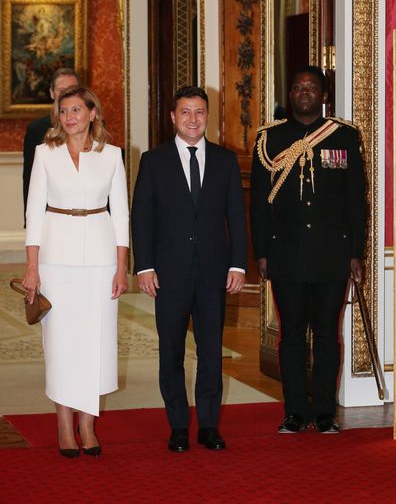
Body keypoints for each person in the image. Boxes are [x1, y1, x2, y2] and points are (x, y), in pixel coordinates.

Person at [250, 66, 367, 434]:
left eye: (311, 87)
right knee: (293, 335)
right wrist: (261, 252)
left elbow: (355, 201)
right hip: (286, 255)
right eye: (298, 86)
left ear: (323, 94)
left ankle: (325, 413)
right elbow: (258, 202)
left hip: (332, 255)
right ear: (291, 92)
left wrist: (357, 253)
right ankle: (296, 411)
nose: (304, 92)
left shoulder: (344, 137)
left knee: (328, 335)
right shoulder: (270, 139)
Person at [131, 86, 247, 452]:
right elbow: (142, 217)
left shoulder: (226, 160)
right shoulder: (153, 161)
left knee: (212, 352)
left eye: (199, 112)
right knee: (172, 353)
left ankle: (209, 426)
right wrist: (144, 266)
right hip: (169, 273)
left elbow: (236, 219)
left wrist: (238, 264)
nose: (193, 119)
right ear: (173, 117)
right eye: (185, 112)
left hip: (214, 272)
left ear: (207, 116)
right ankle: (178, 425)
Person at [23, 86, 129, 457]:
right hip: (55, 257)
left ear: (92, 114)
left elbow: (122, 214)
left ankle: (89, 422)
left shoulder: (112, 155)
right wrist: (32, 268)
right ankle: (64, 425)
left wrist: (121, 266)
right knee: (62, 344)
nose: (69, 117)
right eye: (63, 111)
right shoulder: (45, 153)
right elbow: (34, 212)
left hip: (101, 260)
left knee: (96, 342)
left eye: (76, 110)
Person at [23, 67, 80, 219]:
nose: (67, 94)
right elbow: (30, 179)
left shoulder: (94, 126)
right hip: (51, 214)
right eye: (62, 90)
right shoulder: (36, 129)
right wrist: (30, 221)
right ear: (52, 93)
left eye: (72, 89)